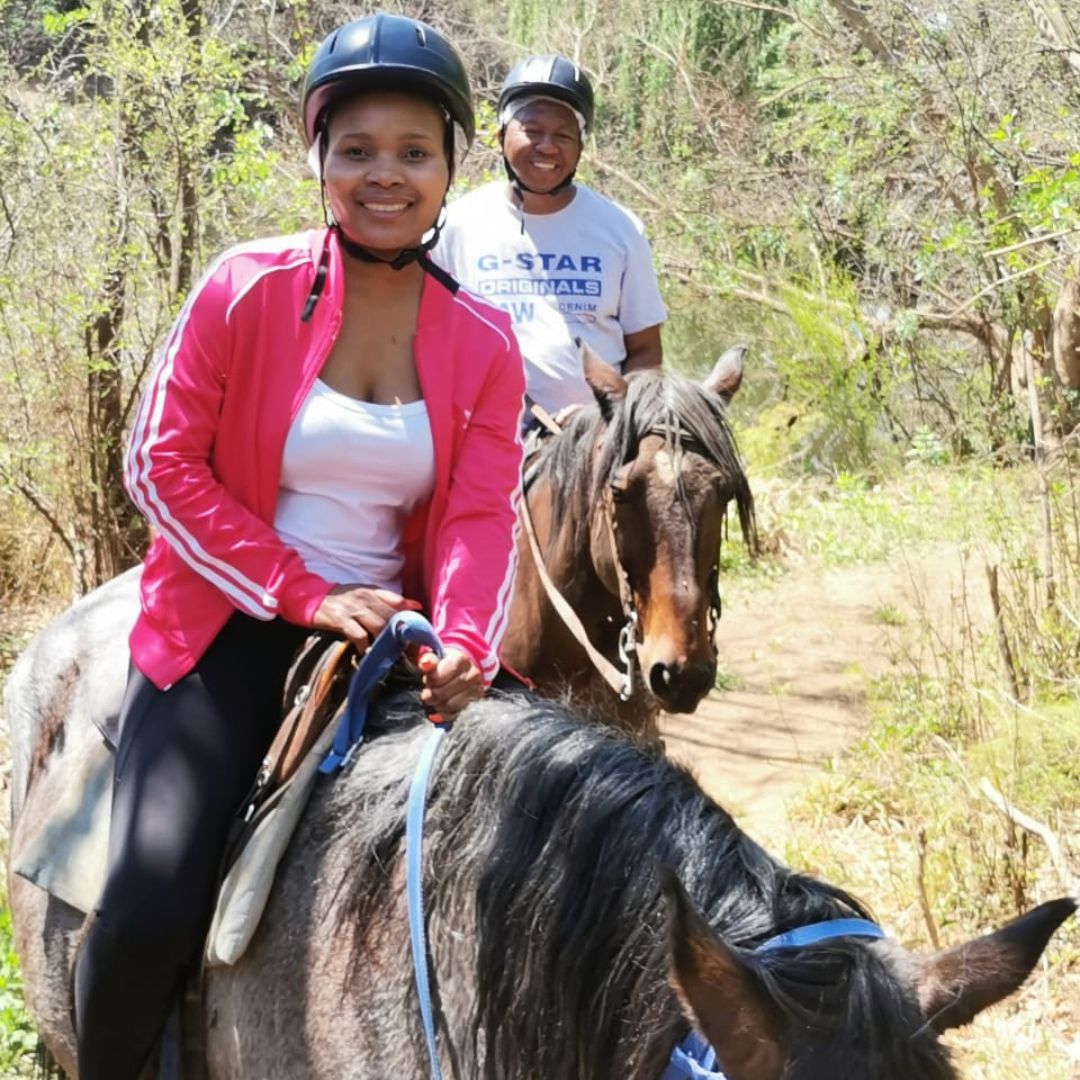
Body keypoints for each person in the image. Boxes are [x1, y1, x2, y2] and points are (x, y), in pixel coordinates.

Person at [71, 13, 524, 1078]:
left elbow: (480, 514)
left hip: (395, 638)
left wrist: (467, 642)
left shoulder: (485, 341)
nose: (385, 175)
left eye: (414, 152)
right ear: (319, 159)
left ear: (450, 166)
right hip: (229, 621)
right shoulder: (246, 286)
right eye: (357, 149)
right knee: (148, 905)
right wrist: (299, 589)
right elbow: (159, 464)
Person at [435, 53, 666, 419]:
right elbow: (426, 340)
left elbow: (646, 351)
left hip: (598, 435)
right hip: (482, 429)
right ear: (500, 136)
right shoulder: (456, 226)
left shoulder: (621, 229)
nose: (546, 146)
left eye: (563, 135)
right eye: (532, 130)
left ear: (581, 147)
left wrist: (610, 419)